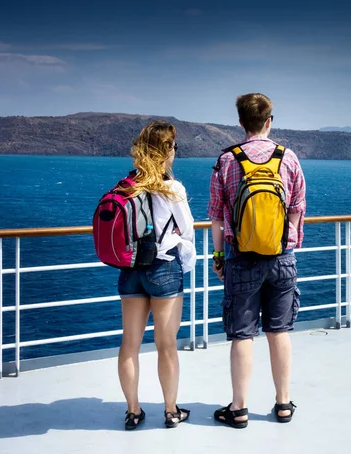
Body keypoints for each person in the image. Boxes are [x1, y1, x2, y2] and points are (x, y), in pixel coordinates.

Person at [207, 93, 306, 428]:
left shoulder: (226, 160)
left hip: (242, 258)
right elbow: (296, 210)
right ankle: (282, 405)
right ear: (269, 121)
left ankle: (239, 409)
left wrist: (219, 256)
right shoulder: (289, 159)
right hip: (282, 257)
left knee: (242, 335)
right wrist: (285, 242)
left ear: (240, 122)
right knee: (279, 332)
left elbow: (217, 218)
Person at [116, 120, 196, 430]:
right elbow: (187, 229)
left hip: (130, 269)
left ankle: (133, 411)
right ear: (166, 151)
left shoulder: (126, 184)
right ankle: (170, 411)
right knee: (166, 345)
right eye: (174, 147)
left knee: (129, 345)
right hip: (163, 269)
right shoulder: (172, 187)